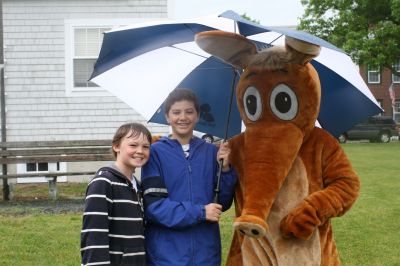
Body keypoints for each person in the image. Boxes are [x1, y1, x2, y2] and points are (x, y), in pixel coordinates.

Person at [141, 88, 237, 266]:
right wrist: (200, 212)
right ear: (167, 116)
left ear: (198, 116)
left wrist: (224, 169)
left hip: (206, 254)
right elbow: (155, 207)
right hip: (167, 255)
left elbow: (221, 203)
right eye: (176, 112)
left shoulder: (212, 153)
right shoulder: (155, 153)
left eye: (189, 112)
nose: (183, 117)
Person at [81, 122, 152, 266]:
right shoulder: (104, 182)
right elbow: (94, 235)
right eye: (133, 145)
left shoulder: (137, 186)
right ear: (116, 146)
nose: (140, 151)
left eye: (145, 146)